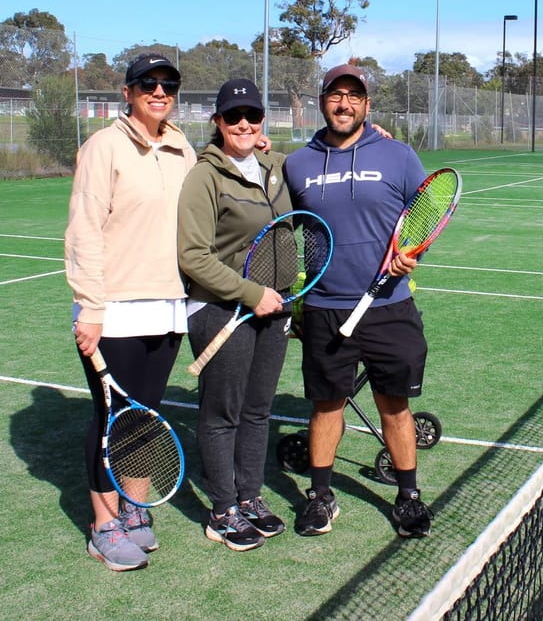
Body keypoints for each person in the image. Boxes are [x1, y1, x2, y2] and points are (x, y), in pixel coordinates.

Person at [283, 63, 434, 539]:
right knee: (327, 407)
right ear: (322, 102)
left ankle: (408, 496)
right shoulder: (297, 164)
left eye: (354, 96)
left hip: (389, 306)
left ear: (367, 105)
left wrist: (412, 253)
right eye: (336, 95)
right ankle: (320, 497)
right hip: (325, 307)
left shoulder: (398, 155)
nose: (344, 104)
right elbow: (283, 223)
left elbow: (426, 213)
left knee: (394, 406)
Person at [65, 53, 196, 571]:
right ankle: (103, 526)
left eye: (168, 84)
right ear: (128, 92)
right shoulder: (104, 147)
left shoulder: (182, 148)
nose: (159, 92)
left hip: (168, 306)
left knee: (145, 418)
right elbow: (84, 229)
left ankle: (134, 509)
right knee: (111, 420)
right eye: (148, 83)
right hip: (113, 310)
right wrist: (91, 307)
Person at [177, 79, 293, 552]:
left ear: (264, 120)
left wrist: (377, 132)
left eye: (252, 115)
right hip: (221, 310)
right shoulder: (204, 177)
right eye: (233, 116)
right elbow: (193, 256)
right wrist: (250, 293)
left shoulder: (275, 166)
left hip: (274, 308)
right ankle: (222, 509)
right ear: (218, 122)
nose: (244, 124)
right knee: (222, 412)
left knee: (258, 410)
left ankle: (250, 498)